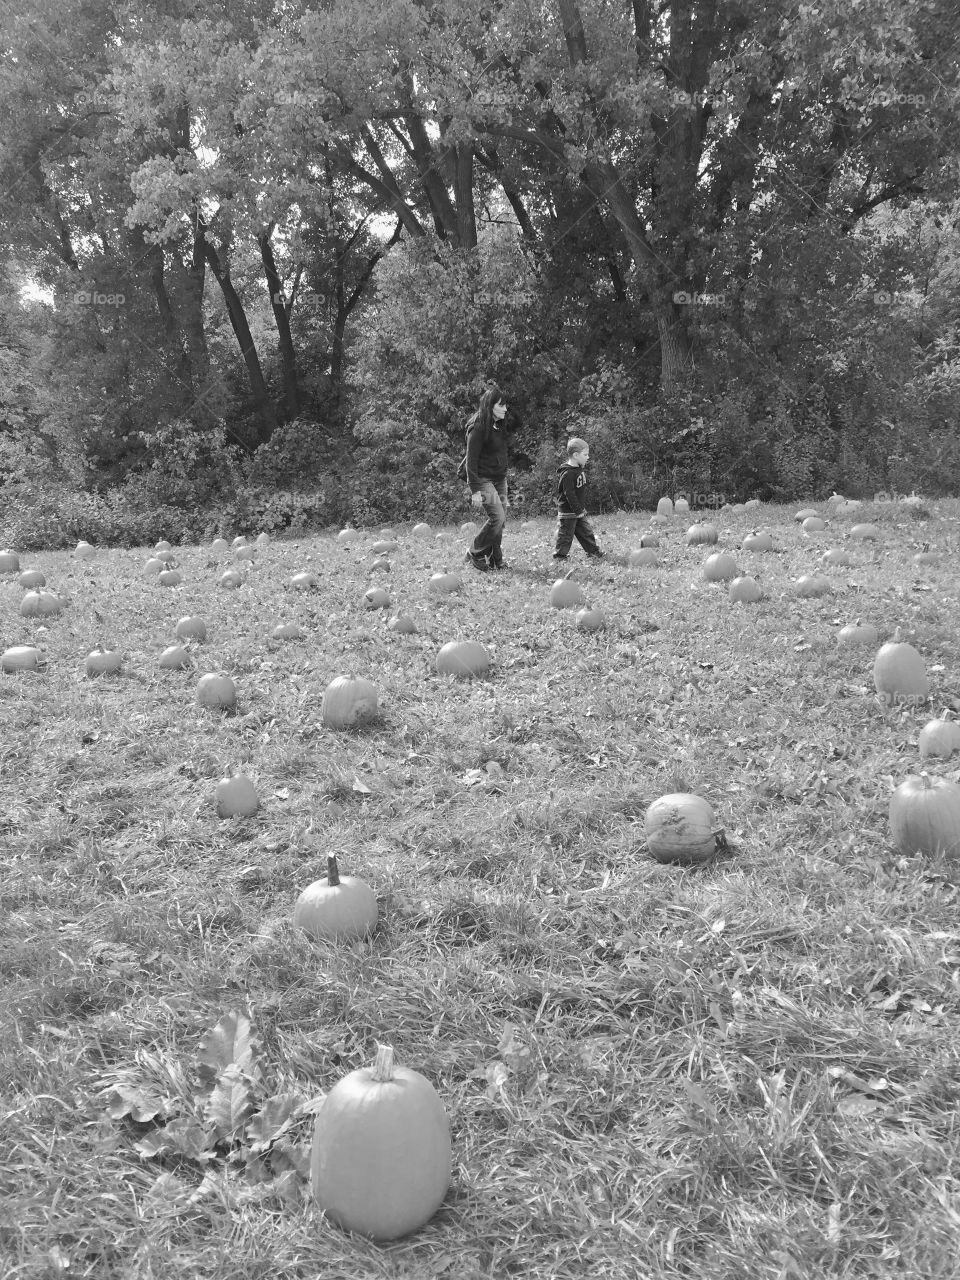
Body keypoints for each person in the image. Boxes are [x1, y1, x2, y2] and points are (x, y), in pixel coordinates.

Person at [463, 385, 510, 571]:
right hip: (482, 479)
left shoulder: (497, 424)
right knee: (497, 517)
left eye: (506, 405)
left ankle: (496, 559)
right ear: (490, 406)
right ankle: (475, 552)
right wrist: (475, 490)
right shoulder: (478, 427)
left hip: (499, 478)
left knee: (501, 520)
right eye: (501, 405)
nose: (505, 409)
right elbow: (471, 462)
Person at [553, 436, 603, 560]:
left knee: (586, 533)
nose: (588, 457)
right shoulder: (568, 474)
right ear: (576, 455)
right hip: (568, 512)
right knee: (565, 536)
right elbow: (569, 494)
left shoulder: (578, 469)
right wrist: (578, 510)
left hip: (578, 510)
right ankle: (560, 556)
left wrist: (581, 509)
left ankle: (593, 552)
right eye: (585, 455)